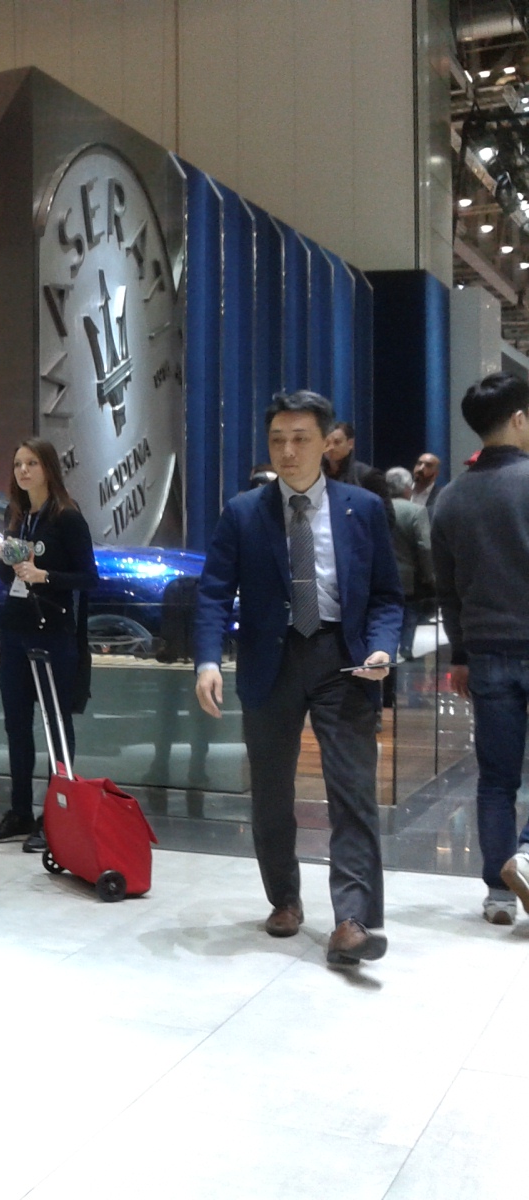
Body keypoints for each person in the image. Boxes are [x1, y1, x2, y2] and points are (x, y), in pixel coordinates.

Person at [193, 391, 402, 967]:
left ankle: (353, 920)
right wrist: (207, 660)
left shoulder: (363, 508)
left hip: (344, 658)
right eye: (277, 440)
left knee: (352, 790)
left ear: (327, 443)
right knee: (271, 792)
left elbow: (388, 595)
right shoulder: (244, 512)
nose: (287, 451)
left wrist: (382, 647)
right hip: (271, 659)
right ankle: (284, 897)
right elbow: (213, 593)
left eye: (300, 439)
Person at [430, 372, 529, 927]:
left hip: (486, 653)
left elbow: (448, 589)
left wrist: (462, 656)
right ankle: (528, 858)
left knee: (496, 777)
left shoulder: (451, 497)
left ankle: (499, 893)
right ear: (518, 418)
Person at [0, 438, 98, 853]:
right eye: (18, 464)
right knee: (16, 724)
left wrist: (45, 576)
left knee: (55, 726)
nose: (23, 471)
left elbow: (90, 577)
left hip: (53, 633)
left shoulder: (67, 517)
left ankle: (56, 815)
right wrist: (6, 559)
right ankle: (20, 811)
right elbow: (7, 578)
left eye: (31, 463)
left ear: (48, 468)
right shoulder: (16, 516)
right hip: (15, 630)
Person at [384, 467, 434, 661]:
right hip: (408, 576)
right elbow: (425, 546)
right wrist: (429, 575)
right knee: (410, 611)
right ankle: (406, 646)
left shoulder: (377, 507)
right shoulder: (416, 511)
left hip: (381, 574)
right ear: (407, 488)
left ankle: (386, 648)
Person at [324, 421, 390, 505]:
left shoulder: (368, 476)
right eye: (327, 443)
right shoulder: (317, 475)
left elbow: (385, 511)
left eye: (337, 442)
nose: (331, 447)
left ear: (350, 444)